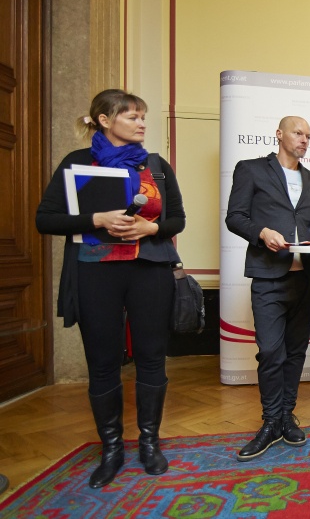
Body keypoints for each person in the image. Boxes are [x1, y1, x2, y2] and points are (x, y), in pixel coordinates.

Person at [36, 89, 186, 488]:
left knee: (153, 358)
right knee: (102, 362)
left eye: (143, 116)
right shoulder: (77, 163)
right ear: (104, 120)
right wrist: (97, 218)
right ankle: (112, 448)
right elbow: (45, 220)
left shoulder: (156, 165)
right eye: (132, 116)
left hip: (149, 271)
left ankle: (150, 444)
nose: (141, 123)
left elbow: (178, 220)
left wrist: (151, 227)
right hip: (95, 271)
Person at [225, 116, 310, 461]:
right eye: (298, 133)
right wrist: (262, 232)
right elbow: (235, 216)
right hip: (268, 276)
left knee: (295, 351)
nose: (304, 140)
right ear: (280, 134)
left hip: (306, 278)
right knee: (271, 351)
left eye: (309, 136)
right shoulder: (251, 169)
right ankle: (270, 421)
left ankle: (286, 416)